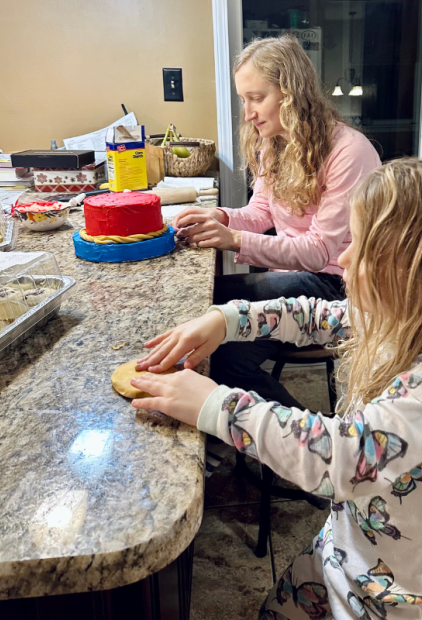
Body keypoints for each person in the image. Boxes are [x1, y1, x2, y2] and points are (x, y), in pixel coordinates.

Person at [131, 157, 422, 619]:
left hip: (403, 602)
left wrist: (213, 406)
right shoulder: (402, 317)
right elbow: (315, 316)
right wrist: (226, 320)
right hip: (345, 555)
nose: (343, 257)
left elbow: (341, 459)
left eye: (363, 247)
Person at [164, 35, 381, 409]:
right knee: (217, 338)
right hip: (295, 279)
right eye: (243, 99)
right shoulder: (274, 144)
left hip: (339, 286)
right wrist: (220, 216)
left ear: (292, 93)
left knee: (220, 332)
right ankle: (249, 440)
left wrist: (233, 239)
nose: (248, 112)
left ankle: (310, 454)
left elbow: (318, 253)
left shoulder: (349, 150)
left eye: (256, 98)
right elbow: (260, 213)